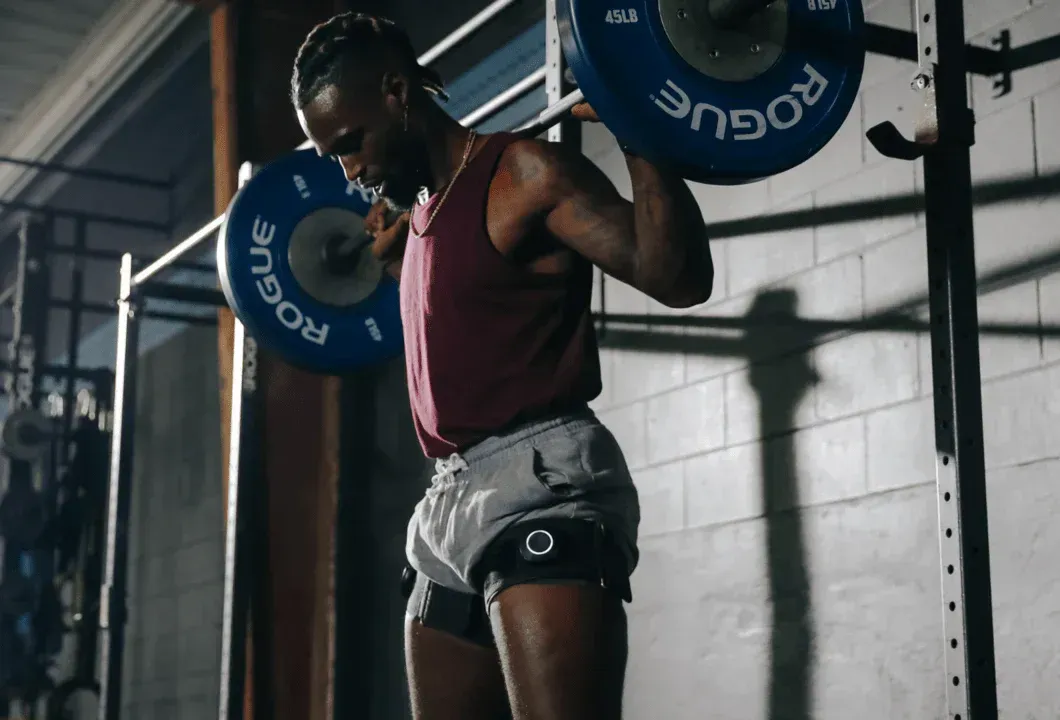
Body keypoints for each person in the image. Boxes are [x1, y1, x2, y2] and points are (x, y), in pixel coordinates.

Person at [291, 12, 713, 720]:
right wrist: (401, 261)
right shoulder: (419, 216)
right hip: (445, 505)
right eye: (333, 156)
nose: (351, 170)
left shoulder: (522, 174)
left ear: (397, 93)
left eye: (351, 143)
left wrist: (641, 130)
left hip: (537, 483)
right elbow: (470, 317)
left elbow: (676, 277)